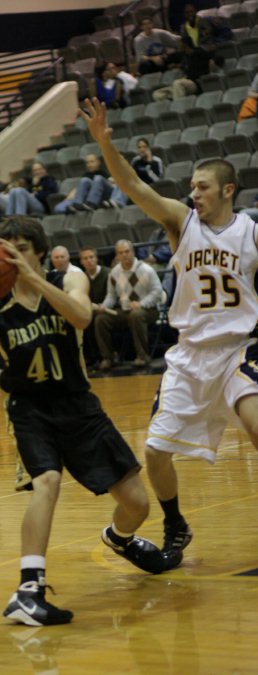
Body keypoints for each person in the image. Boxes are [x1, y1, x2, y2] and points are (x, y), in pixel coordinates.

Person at [0, 216, 177, 626]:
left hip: (78, 405)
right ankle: (28, 590)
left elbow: (81, 316)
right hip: (29, 409)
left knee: (137, 504)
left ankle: (118, 538)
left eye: (20, 249)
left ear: (39, 251)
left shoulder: (69, 279)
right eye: (5, 250)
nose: (12, 258)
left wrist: (32, 280)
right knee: (47, 482)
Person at [81, 97, 258, 567]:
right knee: (156, 451)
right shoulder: (182, 223)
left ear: (227, 191)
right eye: (192, 186)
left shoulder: (251, 234)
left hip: (239, 351)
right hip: (188, 355)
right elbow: (135, 185)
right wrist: (105, 142)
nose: (193, 193)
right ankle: (176, 523)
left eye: (202, 187)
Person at [94, 239, 163, 370]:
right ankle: (108, 358)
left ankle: (143, 356)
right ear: (117, 256)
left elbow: (157, 292)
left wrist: (142, 303)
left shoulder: (146, 269)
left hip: (149, 310)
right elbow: (111, 296)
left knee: (136, 314)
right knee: (100, 319)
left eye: (127, 251)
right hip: (124, 311)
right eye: (120, 253)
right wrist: (104, 306)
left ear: (133, 252)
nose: (124, 255)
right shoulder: (114, 273)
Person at [54, 153, 126, 214]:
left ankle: (91, 204)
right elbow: (78, 189)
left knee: (98, 178)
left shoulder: (104, 172)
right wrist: (69, 197)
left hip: (105, 196)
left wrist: (112, 181)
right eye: (87, 162)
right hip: (87, 198)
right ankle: (77, 205)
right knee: (58, 207)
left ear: (98, 162)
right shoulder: (86, 175)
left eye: (92, 162)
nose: (89, 164)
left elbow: (114, 184)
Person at [152, 35, 215, 101]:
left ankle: (179, 108)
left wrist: (210, 72)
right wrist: (157, 58)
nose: (178, 45)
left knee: (177, 83)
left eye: (180, 43)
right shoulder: (182, 55)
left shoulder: (199, 52)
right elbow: (169, 58)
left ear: (185, 44)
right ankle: (174, 106)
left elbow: (212, 59)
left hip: (196, 83)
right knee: (157, 94)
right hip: (185, 82)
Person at [79, 247, 110, 367]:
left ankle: (104, 356)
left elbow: (113, 295)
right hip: (90, 309)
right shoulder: (81, 277)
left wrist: (103, 305)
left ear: (96, 258)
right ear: (81, 261)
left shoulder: (108, 273)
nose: (89, 261)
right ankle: (87, 356)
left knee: (96, 320)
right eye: (85, 258)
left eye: (91, 257)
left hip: (107, 308)